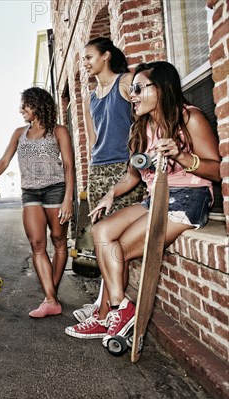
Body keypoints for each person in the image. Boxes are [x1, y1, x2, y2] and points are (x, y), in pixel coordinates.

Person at [66, 61, 220, 347]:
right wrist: (111, 194)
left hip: (187, 198)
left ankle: (107, 314)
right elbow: (133, 175)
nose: (132, 95)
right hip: (154, 197)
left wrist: (184, 157)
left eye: (138, 88)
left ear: (160, 88)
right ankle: (119, 308)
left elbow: (217, 170)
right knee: (101, 233)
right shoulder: (144, 128)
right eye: (131, 90)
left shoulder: (189, 119)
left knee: (118, 251)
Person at [0, 87, 75, 318]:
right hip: (30, 192)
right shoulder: (19, 133)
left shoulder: (58, 131)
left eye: (25, 105)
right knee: (37, 244)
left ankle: (51, 296)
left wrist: (68, 198)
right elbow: (4, 160)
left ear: (38, 105)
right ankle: (51, 299)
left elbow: (69, 165)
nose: (21, 110)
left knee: (59, 241)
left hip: (56, 190)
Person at [71, 37, 146, 324]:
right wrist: (92, 174)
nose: (86, 62)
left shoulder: (126, 82)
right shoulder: (89, 98)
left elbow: (143, 119)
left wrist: (136, 158)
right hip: (99, 171)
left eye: (89, 57)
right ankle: (106, 306)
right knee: (101, 239)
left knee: (113, 239)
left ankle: (108, 311)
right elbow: (92, 141)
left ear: (105, 56)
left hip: (125, 170)